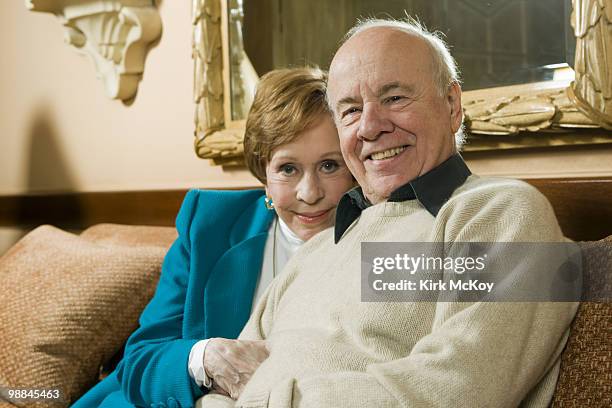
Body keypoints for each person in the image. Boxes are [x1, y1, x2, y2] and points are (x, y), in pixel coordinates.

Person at [198, 18, 578, 408]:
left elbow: (457, 389)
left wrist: (267, 400)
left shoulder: (498, 212)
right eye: (349, 110)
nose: (369, 127)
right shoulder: (320, 247)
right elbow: (226, 384)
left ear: (451, 105)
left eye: (394, 98)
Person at [72, 67, 354, 408]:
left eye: (329, 166)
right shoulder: (209, 224)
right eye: (288, 169)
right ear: (264, 170)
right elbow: (142, 359)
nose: (309, 193)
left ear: (353, 166)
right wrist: (204, 357)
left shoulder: (385, 238)